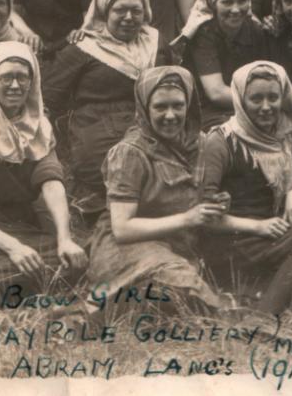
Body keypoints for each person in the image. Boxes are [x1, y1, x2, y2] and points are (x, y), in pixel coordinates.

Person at [199, 62, 292, 314]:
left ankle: (257, 297)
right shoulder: (221, 141)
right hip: (236, 239)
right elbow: (204, 216)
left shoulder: (288, 131)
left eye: (273, 98)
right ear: (240, 99)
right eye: (256, 98)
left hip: (273, 232)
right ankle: (265, 317)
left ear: (283, 97)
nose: (266, 107)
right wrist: (257, 226)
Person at [0, 42, 87, 298]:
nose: (15, 85)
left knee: (79, 258)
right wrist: (13, 248)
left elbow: (51, 181)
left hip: (23, 224)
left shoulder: (37, 128)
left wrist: (65, 238)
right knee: (38, 267)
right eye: (6, 77)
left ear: (32, 82)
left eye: (22, 77)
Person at [86, 66, 232, 316]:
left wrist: (214, 203)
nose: (170, 115)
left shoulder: (201, 142)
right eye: (160, 107)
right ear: (144, 107)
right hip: (130, 246)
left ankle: (140, 305)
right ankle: (107, 309)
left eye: (178, 105)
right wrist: (188, 218)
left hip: (179, 241)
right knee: (179, 279)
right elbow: (122, 229)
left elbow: (198, 196)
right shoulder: (130, 152)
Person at [42, 0, 158, 216]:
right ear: (105, 11)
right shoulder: (83, 48)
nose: (128, 17)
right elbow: (48, 97)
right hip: (96, 123)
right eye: (119, 10)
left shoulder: (154, 43)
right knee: (113, 172)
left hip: (147, 120)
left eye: (136, 11)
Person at [173, 0, 273, 130]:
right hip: (208, 110)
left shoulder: (255, 30)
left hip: (249, 105)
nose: (235, 9)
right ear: (214, 4)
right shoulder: (204, 34)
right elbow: (216, 93)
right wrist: (259, 102)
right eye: (227, 2)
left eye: (242, 1)